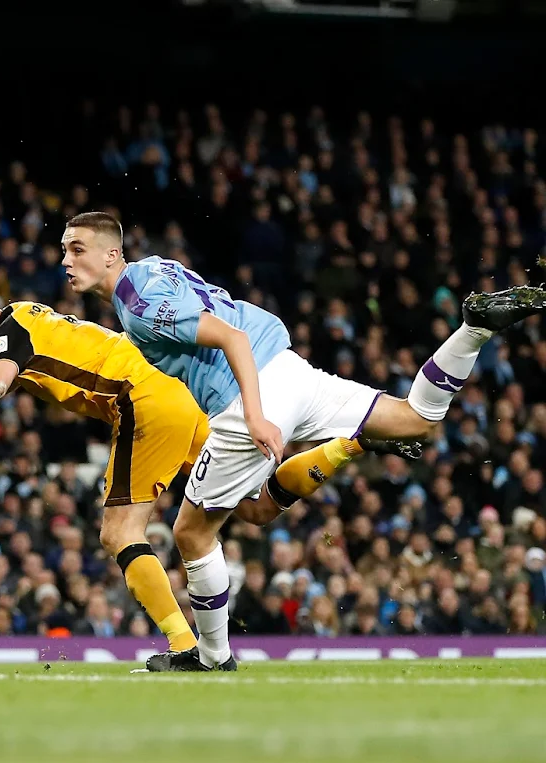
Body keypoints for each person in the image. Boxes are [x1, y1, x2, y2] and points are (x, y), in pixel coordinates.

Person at [61, 210, 544, 671]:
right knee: (415, 418)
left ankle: (211, 656)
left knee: (191, 533)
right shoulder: (152, 268)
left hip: (251, 390)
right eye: (63, 250)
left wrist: (254, 415)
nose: (66, 261)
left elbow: (231, 339)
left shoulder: (137, 306)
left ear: (110, 256)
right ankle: (474, 329)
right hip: (290, 368)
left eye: (77, 249)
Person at [0, 268, 412, 658]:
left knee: (118, 532)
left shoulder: (10, 331)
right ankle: (356, 443)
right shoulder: (34, 317)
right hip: (178, 399)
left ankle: (183, 644)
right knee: (254, 509)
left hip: (142, 404)